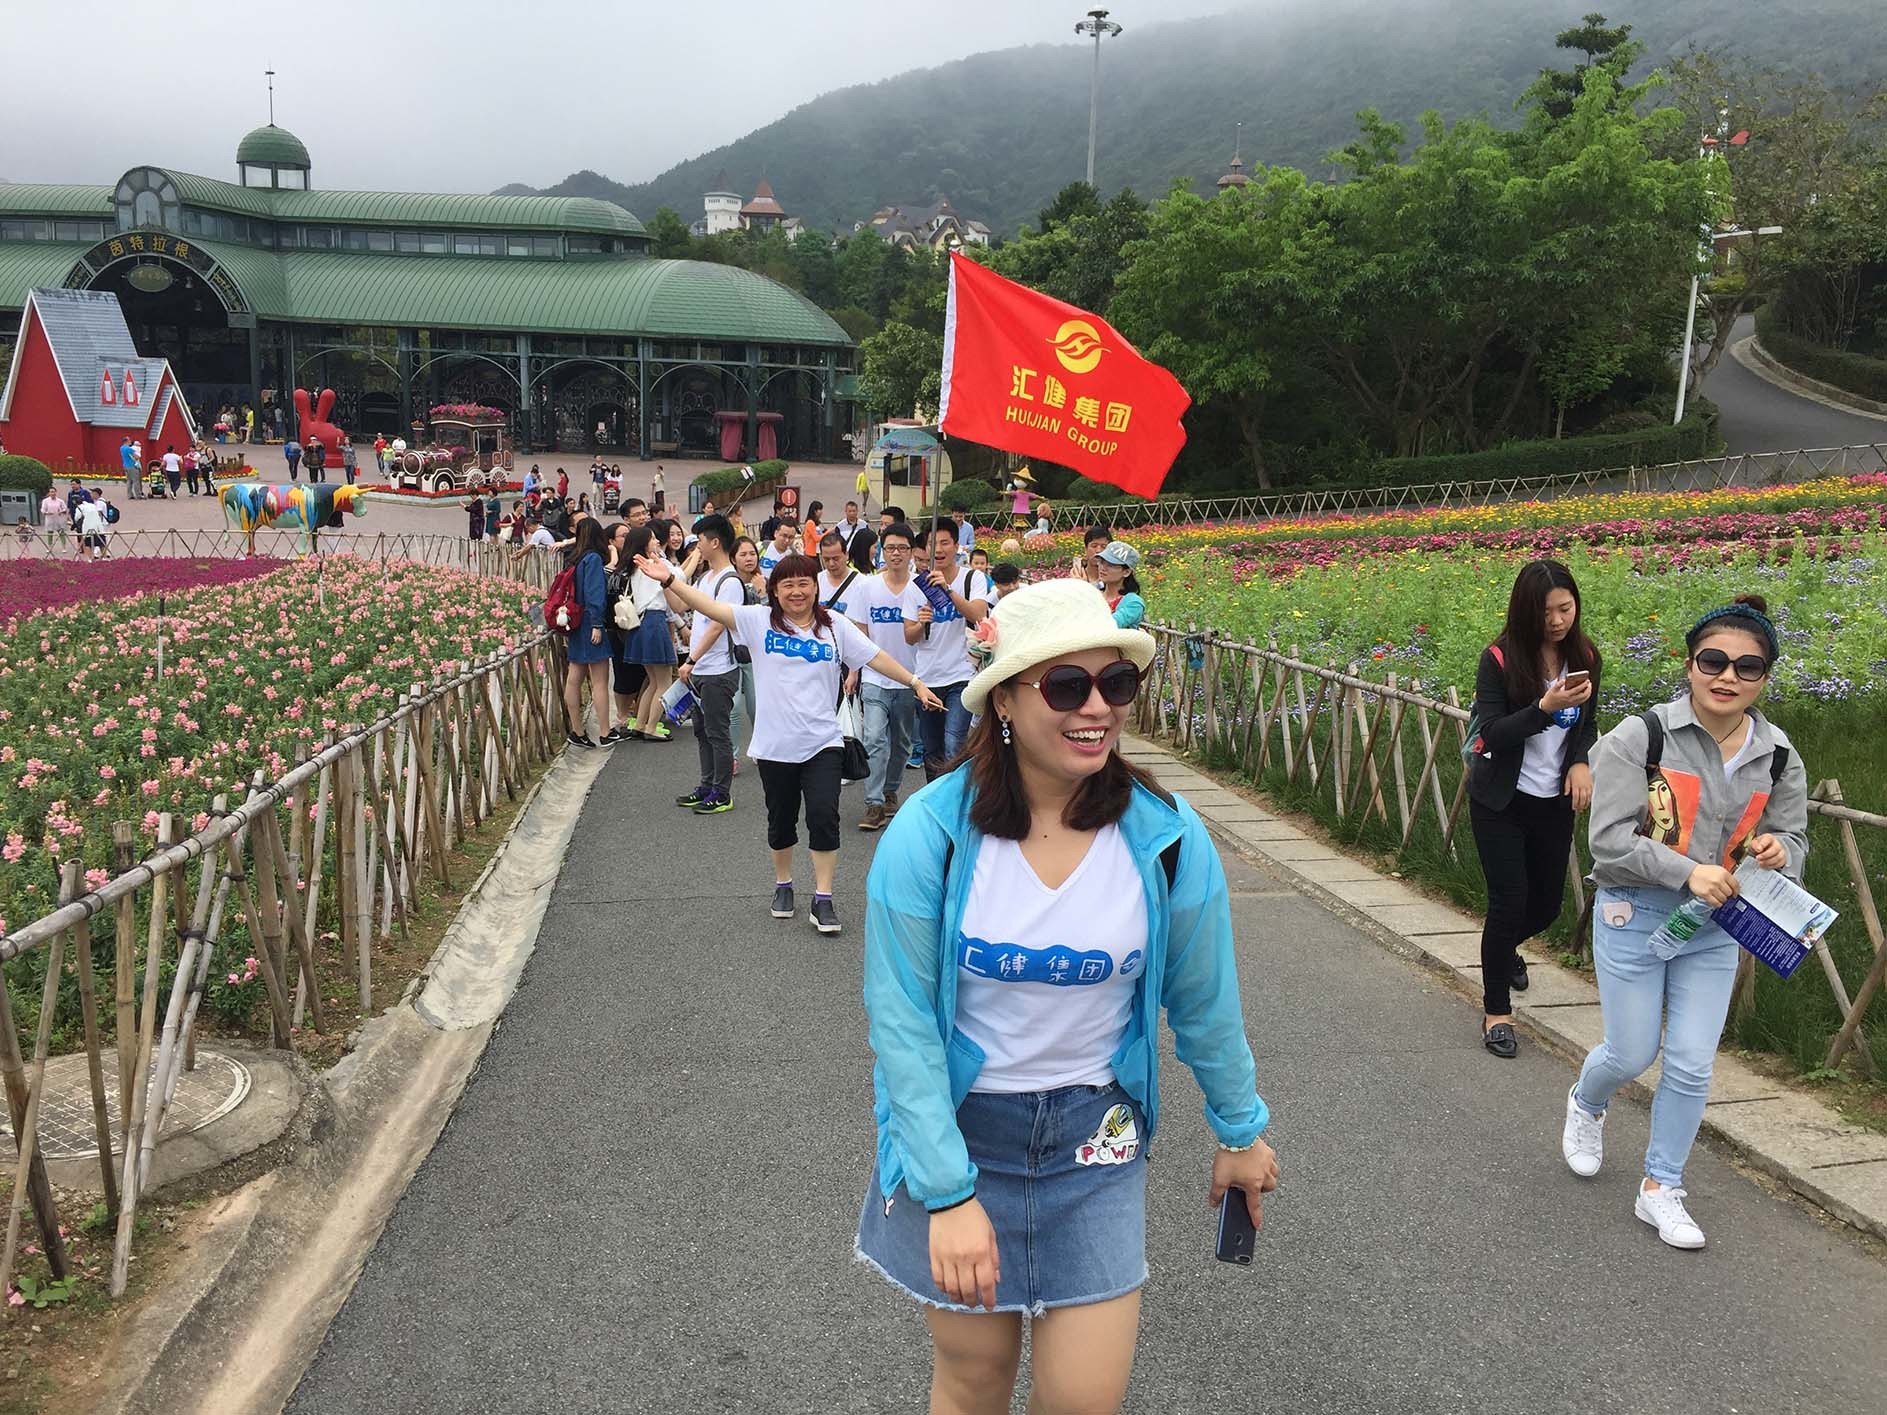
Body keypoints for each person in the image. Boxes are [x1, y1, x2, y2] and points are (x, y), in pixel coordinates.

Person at [855, 577, 1277, 1410]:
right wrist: (946, 1192)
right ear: (1005, 699)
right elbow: (900, 1025)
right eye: (1065, 685)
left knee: (1084, 1398)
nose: (1096, 707)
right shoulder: (930, 834)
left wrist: (1239, 1128)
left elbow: (1204, 999)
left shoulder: (1164, 837)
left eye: (1115, 683)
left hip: (1097, 1137)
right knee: (973, 1379)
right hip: (964, 1132)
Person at [1563, 593, 1806, 1250]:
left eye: (1747, 666)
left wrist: (1780, 851)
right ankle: (1586, 1102)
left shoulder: (1778, 752)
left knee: (1693, 1063)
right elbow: (1607, 841)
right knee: (1631, 1050)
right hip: (1632, 912)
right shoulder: (1640, 737)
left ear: (1764, 676)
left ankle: (1659, 1186)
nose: (1727, 676)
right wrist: (1684, 870)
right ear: (1689, 662)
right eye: (1713, 660)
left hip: (1715, 927)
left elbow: (1794, 835)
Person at [636, 548, 938, 935]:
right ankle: (783, 884)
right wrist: (669, 579)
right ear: (775, 591)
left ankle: (823, 898)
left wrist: (914, 682)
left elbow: (875, 656)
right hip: (775, 746)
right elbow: (710, 608)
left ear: (815, 588)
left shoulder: (834, 627)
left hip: (823, 743)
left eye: (804, 584)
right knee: (780, 820)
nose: (797, 592)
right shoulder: (759, 622)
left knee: (823, 816)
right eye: (788, 585)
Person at [1466, 560, 1601, 1060]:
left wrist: (1581, 761)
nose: (1557, 621)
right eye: (1546, 612)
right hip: (1501, 800)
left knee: (1544, 905)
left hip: (1554, 801)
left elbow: (1588, 721)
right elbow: (1491, 735)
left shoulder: (1585, 655)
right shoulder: (1500, 659)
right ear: (1526, 612)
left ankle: (1500, 953)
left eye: (1566, 608)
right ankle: (1496, 1010)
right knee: (1508, 901)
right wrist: (1542, 709)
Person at [668, 515, 747, 815]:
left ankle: (722, 792)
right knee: (702, 732)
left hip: (718, 670)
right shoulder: (704, 578)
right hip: (700, 670)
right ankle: (707, 784)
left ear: (715, 542)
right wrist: (665, 576)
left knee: (717, 732)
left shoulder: (730, 581)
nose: (697, 545)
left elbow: (717, 626)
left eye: (700, 540)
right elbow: (679, 605)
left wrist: (691, 659)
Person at [850, 522, 926, 832]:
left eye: (902, 548)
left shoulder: (922, 588)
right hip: (875, 677)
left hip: (910, 678)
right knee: (874, 738)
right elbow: (859, 632)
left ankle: (891, 789)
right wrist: (855, 670)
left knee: (903, 744)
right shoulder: (866, 587)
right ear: (882, 550)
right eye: (890, 548)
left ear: (911, 553)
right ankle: (873, 804)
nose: (896, 554)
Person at [910, 520, 992, 781]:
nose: (939, 549)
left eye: (945, 543)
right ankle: (936, 802)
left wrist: (947, 589)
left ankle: (959, 799)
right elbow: (909, 637)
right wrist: (921, 622)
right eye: (933, 544)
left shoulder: (972, 577)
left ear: (957, 546)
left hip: (961, 675)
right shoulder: (917, 586)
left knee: (954, 743)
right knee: (932, 750)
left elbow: (979, 615)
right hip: (927, 678)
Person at [560, 518, 615, 748]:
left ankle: (577, 730)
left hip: (574, 623)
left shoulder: (573, 560)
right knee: (600, 680)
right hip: (590, 624)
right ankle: (605, 732)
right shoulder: (592, 559)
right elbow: (595, 594)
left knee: (574, 679)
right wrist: (597, 624)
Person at [1095, 542, 1147, 629]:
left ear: (1126, 572)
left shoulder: (1133, 603)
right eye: (1102, 562)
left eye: (1111, 565)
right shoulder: (1094, 594)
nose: (1103, 568)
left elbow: (1108, 625)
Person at [76, 489, 110, 561]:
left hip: (88, 526)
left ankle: (90, 558)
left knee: (88, 543)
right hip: (98, 526)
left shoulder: (79, 508)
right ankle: (104, 557)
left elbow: (77, 518)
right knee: (101, 541)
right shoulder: (92, 505)